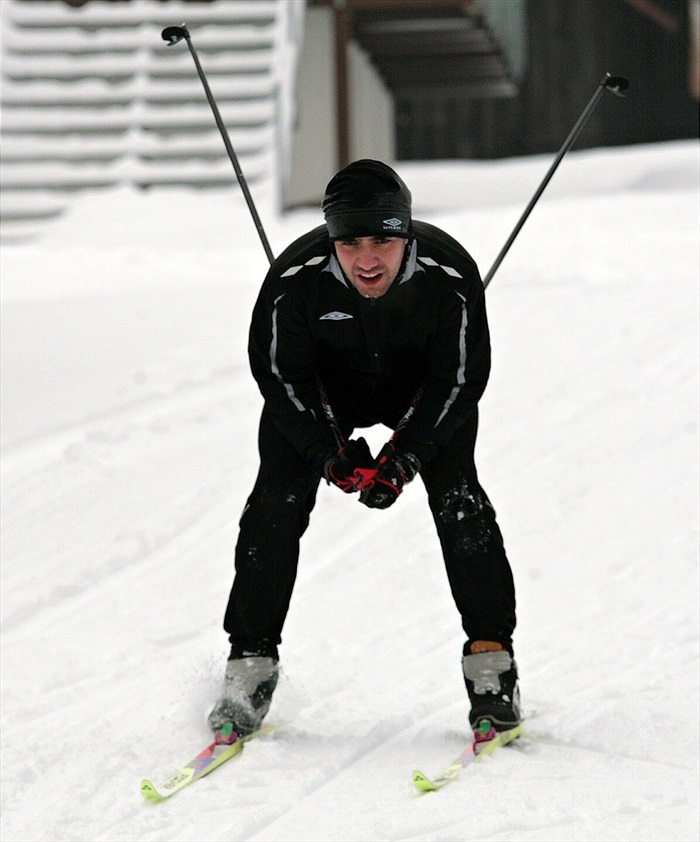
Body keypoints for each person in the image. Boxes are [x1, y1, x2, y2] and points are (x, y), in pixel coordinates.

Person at [208, 159, 520, 743]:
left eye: (383, 239)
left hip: (422, 393)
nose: (367, 258)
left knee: (459, 499)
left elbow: (457, 382)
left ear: (405, 232)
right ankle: (249, 664)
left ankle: (491, 664)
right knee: (275, 501)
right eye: (350, 242)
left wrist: (406, 457)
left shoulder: (449, 275)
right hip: (327, 394)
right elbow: (281, 380)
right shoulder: (294, 280)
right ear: (332, 240)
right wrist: (327, 453)